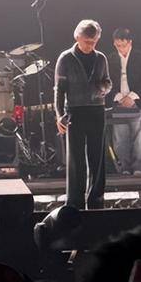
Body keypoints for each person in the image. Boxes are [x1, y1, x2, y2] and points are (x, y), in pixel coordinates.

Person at [54, 20, 111, 209]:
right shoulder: (66, 58)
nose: (90, 46)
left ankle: (96, 200)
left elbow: (108, 82)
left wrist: (103, 88)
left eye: (94, 42)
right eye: (87, 42)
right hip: (75, 110)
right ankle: (75, 202)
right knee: (75, 159)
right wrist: (59, 114)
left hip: (96, 110)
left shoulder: (101, 58)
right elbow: (59, 89)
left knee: (97, 158)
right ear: (77, 37)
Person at [107, 28, 141, 176]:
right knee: (120, 137)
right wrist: (119, 97)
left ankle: (138, 167)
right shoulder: (110, 59)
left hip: (138, 101)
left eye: (124, 45)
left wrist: (132, 97)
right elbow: (107, 80)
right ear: (114, 43)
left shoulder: (140, 56)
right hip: (118, 101)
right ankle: (124, 167)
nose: (121, 48)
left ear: (130, 42)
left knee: (139, 136)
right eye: (118, 45)